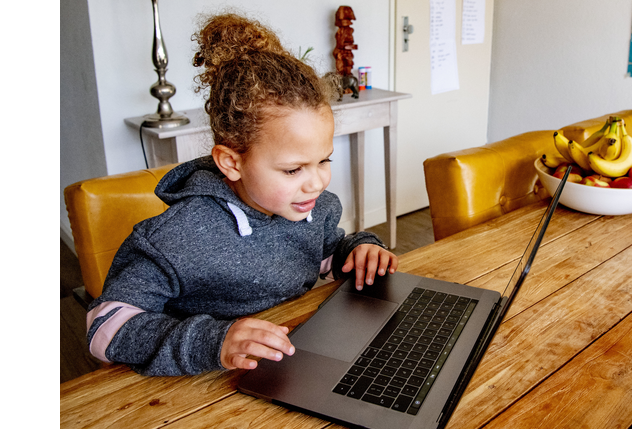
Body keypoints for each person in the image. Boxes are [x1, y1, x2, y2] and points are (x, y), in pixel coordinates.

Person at [85, 13, 398, 376]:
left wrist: (358, 250)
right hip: (199, 381)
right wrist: (213, 341)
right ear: (231, 162)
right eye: (293, 169)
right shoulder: (176, 237)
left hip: (283, 365)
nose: (317, 183)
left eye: (323, 160)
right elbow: (103, 327)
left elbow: (326, 252)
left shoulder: (314, 209)